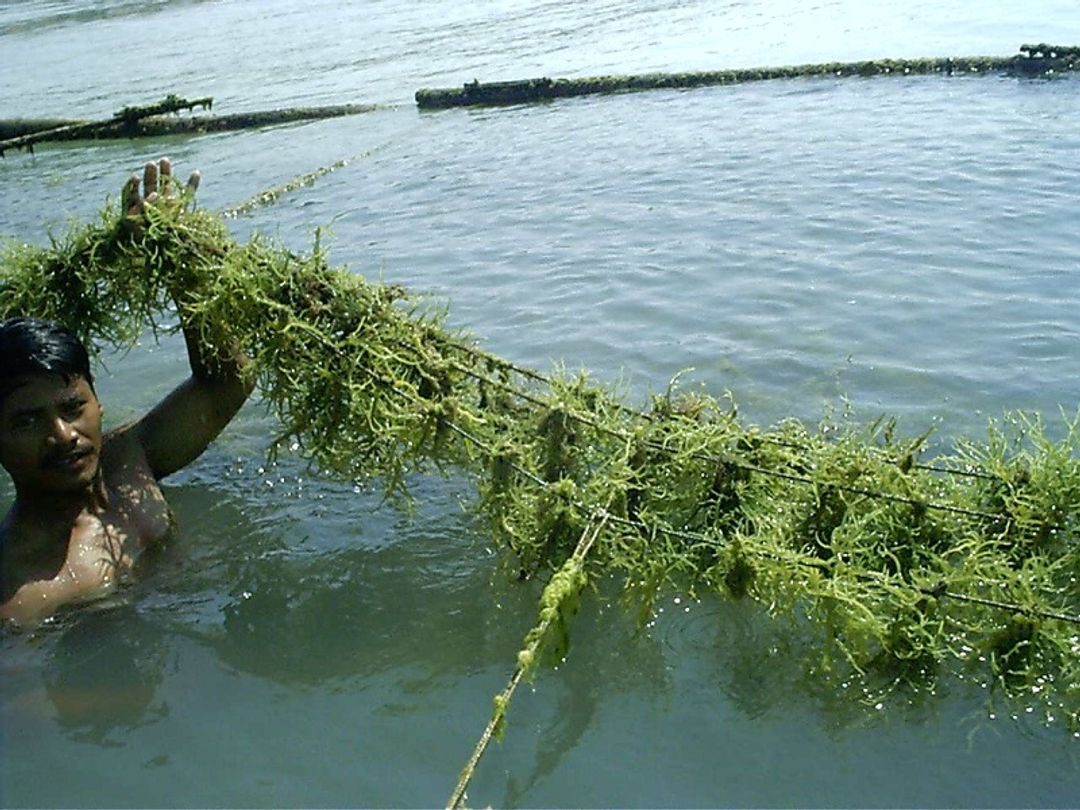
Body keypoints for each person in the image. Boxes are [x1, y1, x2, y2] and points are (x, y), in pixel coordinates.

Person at [0, 158, 253, 630]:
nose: (63, 434)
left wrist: (176, 251)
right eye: (27, 421)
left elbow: (226, 384)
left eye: (73, 407)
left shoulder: (127, 461)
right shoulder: (20, 593)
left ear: (97, 401)